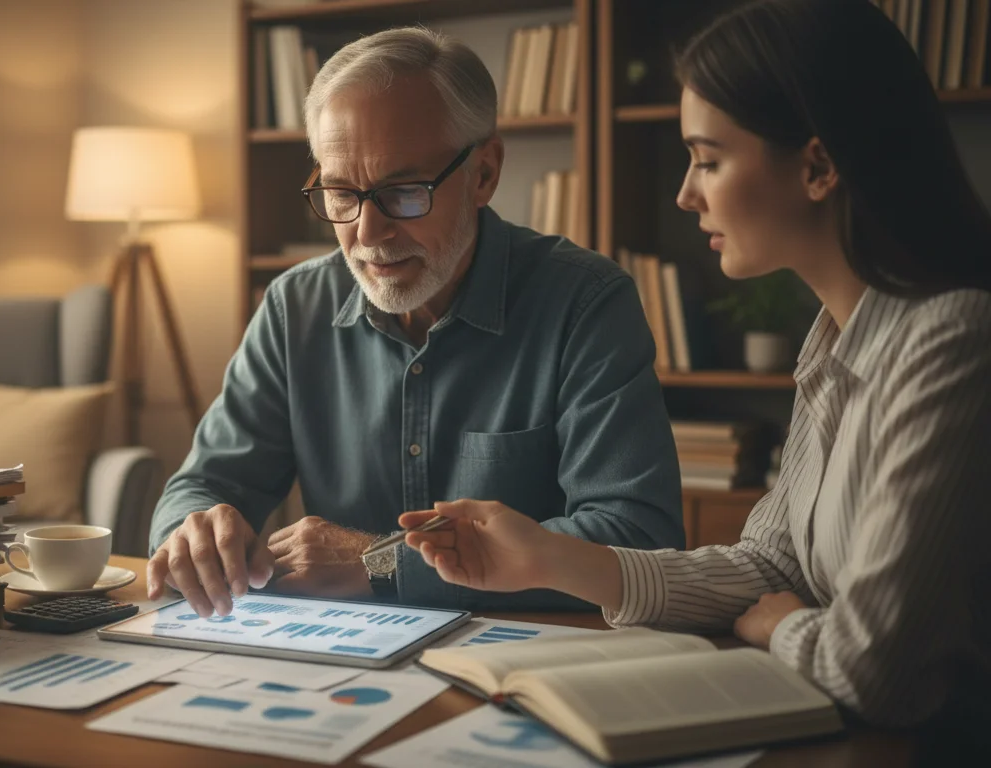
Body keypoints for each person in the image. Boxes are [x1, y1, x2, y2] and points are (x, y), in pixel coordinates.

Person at [400, 0, 991, 741]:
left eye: (708, 159)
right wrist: (551, 559)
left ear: (818, 166)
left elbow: (875, 670)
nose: (686, 193)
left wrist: (783, 627)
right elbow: (771, 563)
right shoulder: (836, 336)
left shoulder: (953, 341)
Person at [146, 27, 685, 619]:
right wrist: (193, 531)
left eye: (403, 191)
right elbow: (199, 489)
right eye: (340, 193)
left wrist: (380, 562)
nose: (368, 235)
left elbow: (636, 540)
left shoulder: (586, 303)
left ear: (484, 174)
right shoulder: (292, 306)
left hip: (531, 659)